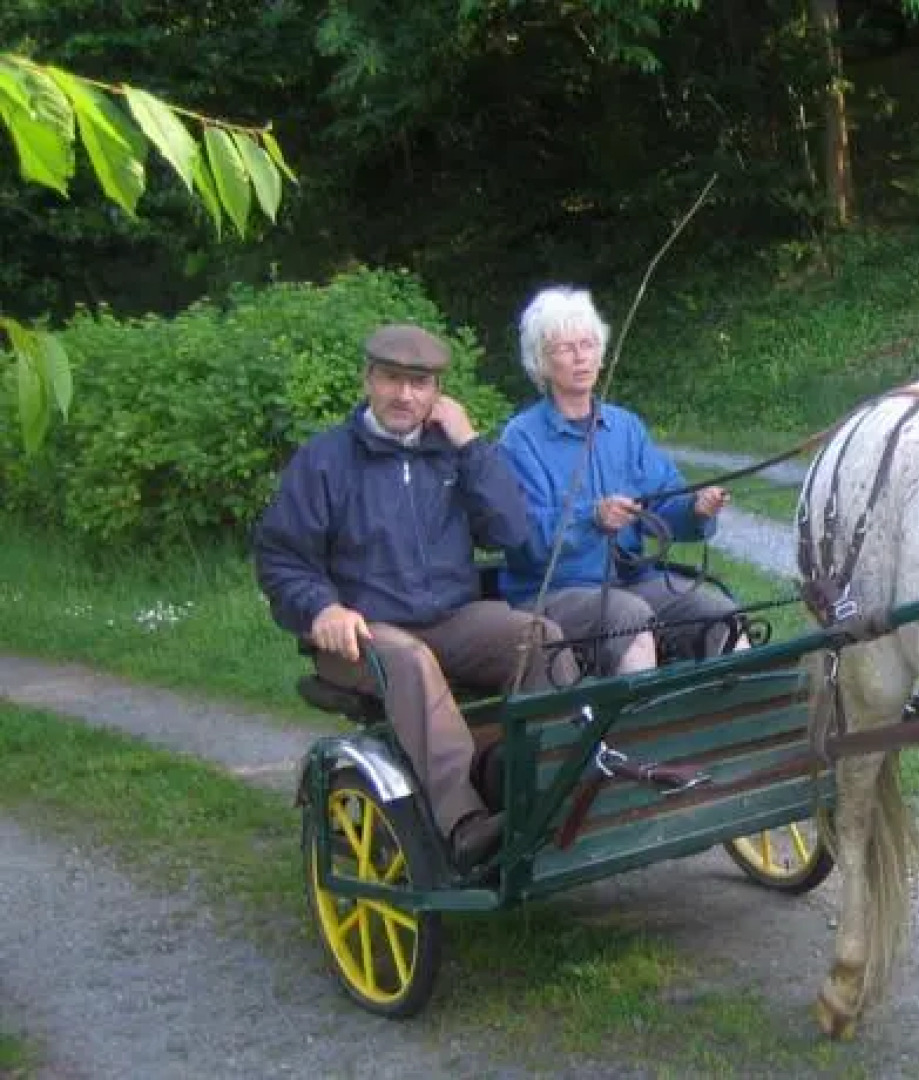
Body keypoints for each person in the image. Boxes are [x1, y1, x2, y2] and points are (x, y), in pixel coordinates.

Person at [254, 324, 577, 871]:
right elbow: (280, 557)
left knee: (538, 637)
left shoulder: (450, 455)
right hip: (358, 631)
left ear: (438, 392)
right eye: (392, 379)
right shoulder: (325, 460)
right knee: (410, 661)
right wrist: (321, 608)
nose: (405, 395)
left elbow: (511, 531)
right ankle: (464, 824)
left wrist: (471, 444)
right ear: (368, 380)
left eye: (420, 383)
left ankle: (551, 789)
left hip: (450, 616)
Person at [498, 286, 741, 672]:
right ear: (542, 362)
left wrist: (696, 508)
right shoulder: (520, 439)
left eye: (588, 344)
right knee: (630, 619)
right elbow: (522, 539)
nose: (580, 357)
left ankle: (742, 724)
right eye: (565, 349)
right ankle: (641, 730)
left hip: (631, 581)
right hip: (553, 592)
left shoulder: (625, 428)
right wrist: (591, 518)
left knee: (720, 614)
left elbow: (664, 504)